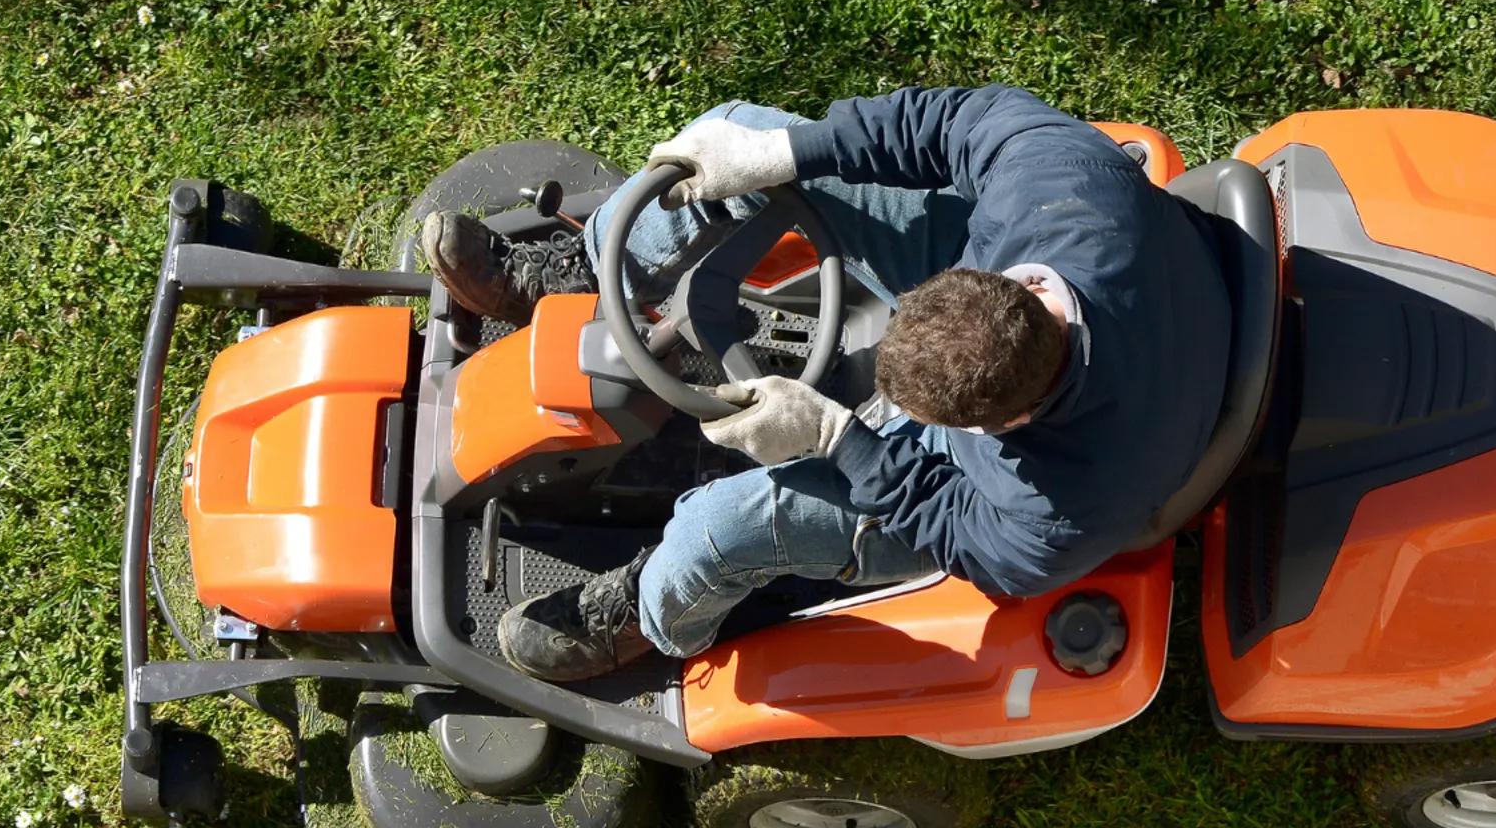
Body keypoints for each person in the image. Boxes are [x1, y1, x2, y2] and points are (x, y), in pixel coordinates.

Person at [418, 85, 1232, 682]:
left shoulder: (1051, 513)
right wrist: (784, 158)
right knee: (730, 140)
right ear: (1010, 278)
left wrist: (839, 439)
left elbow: (947, 523)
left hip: (1120, 425)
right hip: (1135, 305)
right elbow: (947, 123)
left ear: (999, 428)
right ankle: (586, 274)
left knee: (722, 526)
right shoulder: (1061, 184)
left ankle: (646, 616)